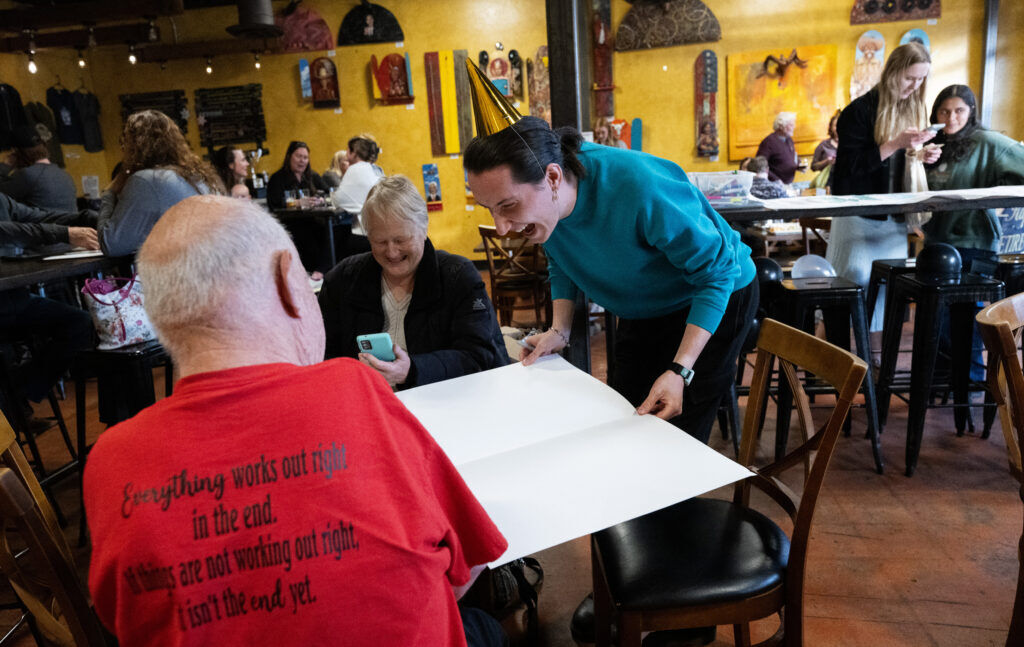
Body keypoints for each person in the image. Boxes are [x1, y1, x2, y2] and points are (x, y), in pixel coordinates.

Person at [83, 194, 509, 647]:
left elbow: (124, 623)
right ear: (289, 281)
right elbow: (463, 565)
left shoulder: (109, 461)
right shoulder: (351, 388)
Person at [463, 63, 756, 447]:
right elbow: (562, 257)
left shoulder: (638, 185)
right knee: (626, 420)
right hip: (644, 306)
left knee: (674, 437)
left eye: (507, 206)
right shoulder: (548, 209)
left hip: (714, 295)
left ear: (552, 177)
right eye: (489, 210)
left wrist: (680, 371)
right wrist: (559, 330)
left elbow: (716, 273)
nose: (501, 228)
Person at [319, 175, 508, 389]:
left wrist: (412, 370)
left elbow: (480, 357)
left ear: (424, 227)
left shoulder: (458, 277)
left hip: (446, 404)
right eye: (380, 241)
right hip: (371, 407)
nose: (391, 252)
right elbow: (325, 356)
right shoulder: (342, 280)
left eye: (401, 240)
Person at [828, 42, 941, 341]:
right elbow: (848, 170)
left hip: (894, 217)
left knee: (886, 291)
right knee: (850, 283)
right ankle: (836, 357)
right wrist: (894, 144)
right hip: (858, 215)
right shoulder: (859, 110)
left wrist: (922, 156)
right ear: (892, 71)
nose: (914, 86)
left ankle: (871, 358)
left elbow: (902, 167)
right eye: (909, 78)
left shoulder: (913, 107)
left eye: (920, 80)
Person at [0, 193, 96, 433]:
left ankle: (15, 393)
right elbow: (7, 229)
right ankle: (10, 416)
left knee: (80, 323)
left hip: (14, 297)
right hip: (9, 300)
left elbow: (37, 216)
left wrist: (87, 217)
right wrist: (65, 233)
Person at [97, 110, 223, 257]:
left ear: (134, 145)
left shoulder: (145, 180)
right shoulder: (195, 175)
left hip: (183, 274)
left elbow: (111, 244)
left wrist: (110, 192)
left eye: (125, 142)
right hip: (214, 268)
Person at [924, 84, 1024, 260]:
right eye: (944, 111)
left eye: (959, 110)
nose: (951, 118)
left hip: (974, 245)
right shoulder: (932, 144)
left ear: (971, 111)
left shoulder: (987, 141)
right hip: (935, 242)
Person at [0, 125, 77, 212]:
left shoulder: (28, 175)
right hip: (69, 224)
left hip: (44, 224)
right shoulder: (65, 175)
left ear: (18, 154)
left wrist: (6, 166)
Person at [332, 135, 384, 258]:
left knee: (334, 237)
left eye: (347, 150)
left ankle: (321, 273)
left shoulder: (355, 169)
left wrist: (329, 198)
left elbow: (339, 201)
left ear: (354, 152)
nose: (345, 154)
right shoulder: (376, 168)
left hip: (364, 235)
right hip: (380, 230)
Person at [266, 140, 327, 210]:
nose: (302, 160)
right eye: (298, 156)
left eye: (305, 158)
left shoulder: (313, 176)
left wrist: (321, 200)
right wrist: (298, 203)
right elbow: (274, 204)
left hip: (314, 218)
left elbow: (328, 193)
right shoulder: (277, 178)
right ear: (289, 157)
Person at [755, 112, 804, 184]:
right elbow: (759, 166)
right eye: (791, 125)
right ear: (781, 126)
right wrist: (776, 180)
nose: (794, 127)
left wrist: (798, 166)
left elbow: (788, 159)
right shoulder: (768, 142)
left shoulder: (789, 140)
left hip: (787, 184)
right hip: (773, 185)